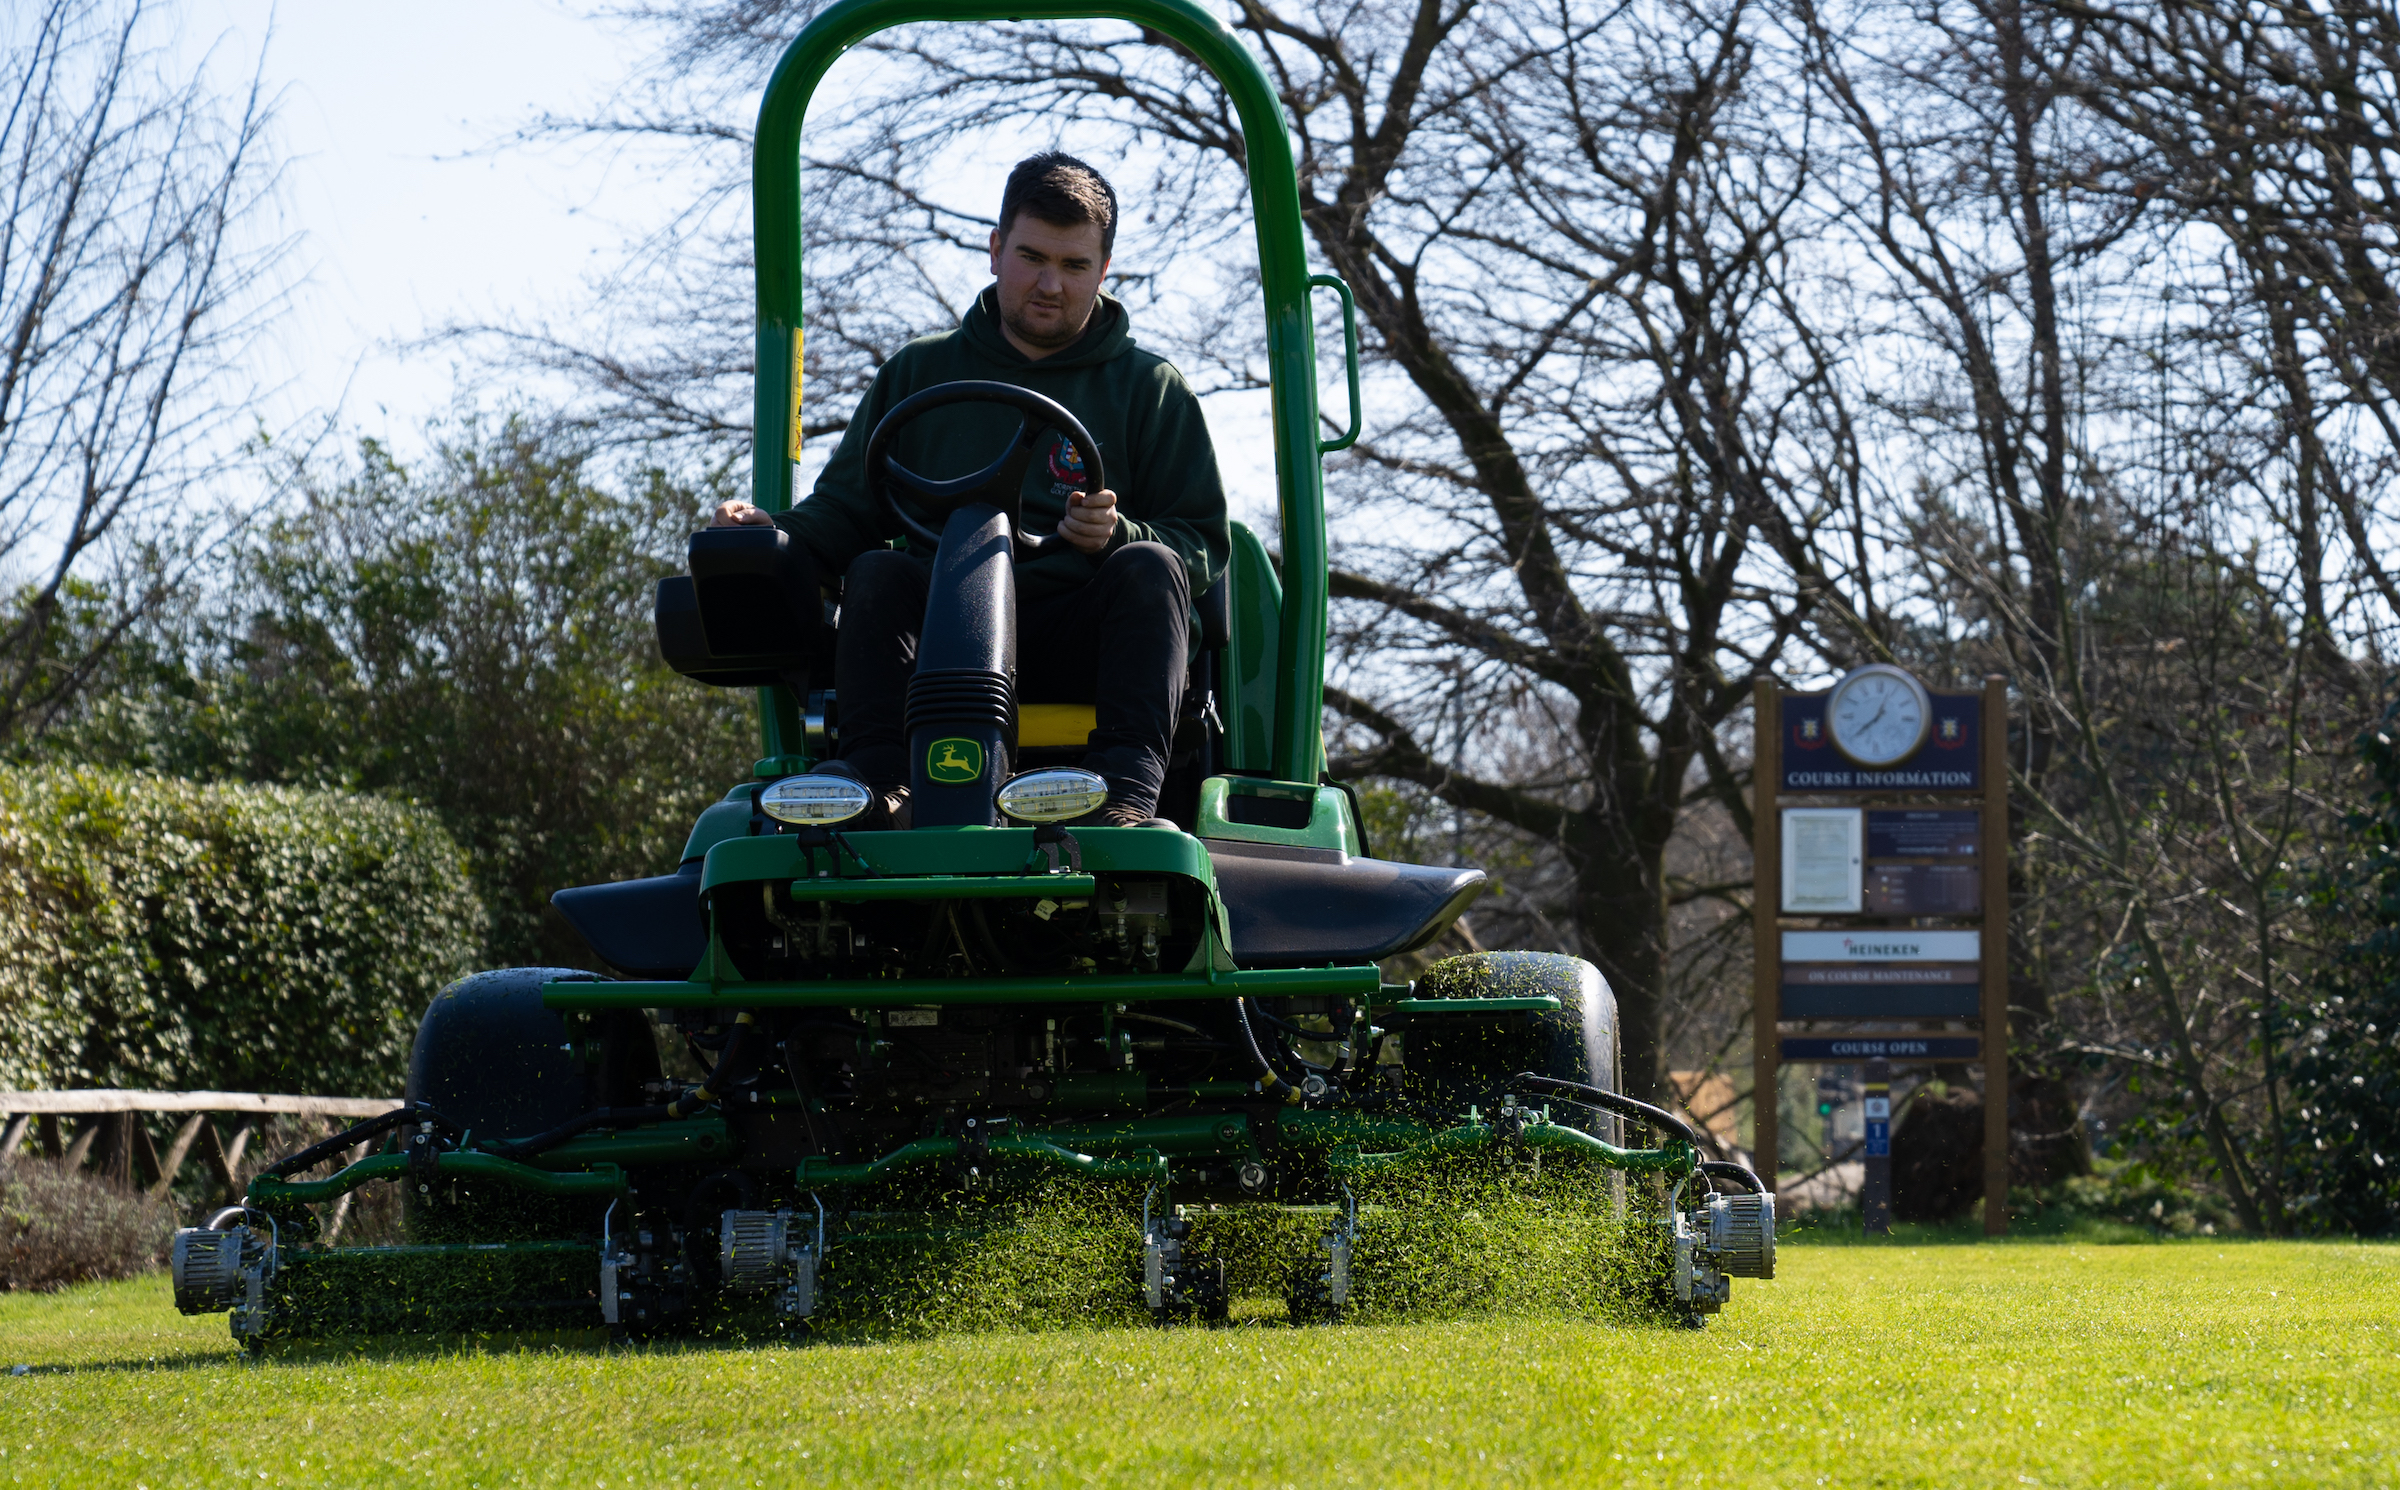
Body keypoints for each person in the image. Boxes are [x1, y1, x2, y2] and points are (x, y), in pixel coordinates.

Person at [711, 151, 1229, 827]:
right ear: (995, 250)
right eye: (1032, 257)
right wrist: (770, 530)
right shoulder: (920, 373)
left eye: (1074, 266)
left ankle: (1125, 796)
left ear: (1103, 271)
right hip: (943, 637)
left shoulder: (1150, 389)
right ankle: (880, 782)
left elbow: (1200, 542)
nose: (1051, 283)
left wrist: (1118, 534)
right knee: (877, 570)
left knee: (1151, 566)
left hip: (1082, 638)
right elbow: (845, 511)